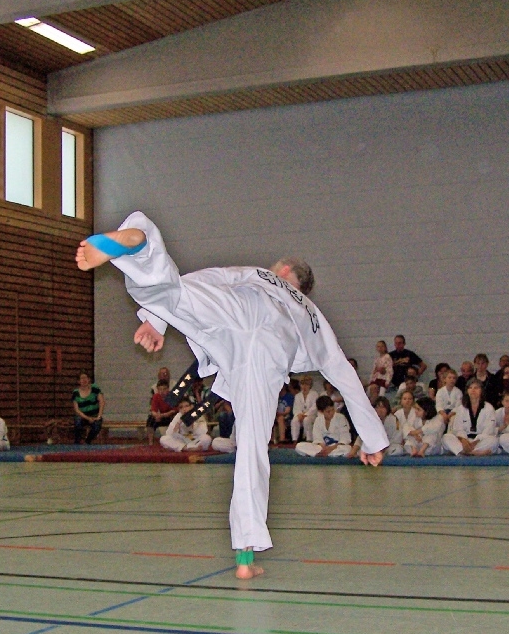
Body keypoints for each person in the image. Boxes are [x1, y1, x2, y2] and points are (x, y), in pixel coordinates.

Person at [77, 211, 387, 579]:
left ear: (284, 270)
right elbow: (343, 374)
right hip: (272, 350)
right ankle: (245, 558)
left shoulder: (259, 275)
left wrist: (156, 320)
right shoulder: (312, 314)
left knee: (173, 290)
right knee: (253, 449)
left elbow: (203, 283)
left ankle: (140, 241)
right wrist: (372, 439)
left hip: (236, 313)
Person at [442, 378, 498, 455]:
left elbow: (489, 429)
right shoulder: (461, 408)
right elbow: (458, 428)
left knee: (493, 440)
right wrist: (464, 440)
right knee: (446, 437)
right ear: (467, 391)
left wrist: (475, 442)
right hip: (465, 440)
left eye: (476, 388)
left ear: (481, 391)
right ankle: (474, 452)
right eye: (470, 388)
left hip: (480, 440)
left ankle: (463, 452)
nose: (473, 390)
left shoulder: (488, 408)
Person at [72, 372, 105, 444]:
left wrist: (99, 416)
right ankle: (77, 442)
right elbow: (77, 410)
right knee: (77, 422)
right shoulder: (76, 392)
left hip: (94, 415)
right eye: (82, 378)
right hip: (82, 416)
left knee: (96, 427)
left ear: (89, 379)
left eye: (86, 378)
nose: (84, 380)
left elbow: (102, 402)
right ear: (78, 381)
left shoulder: (95, 388)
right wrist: (88, 418)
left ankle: (88, 441)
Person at [146, 379, 176, 445]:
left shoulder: (172, 396)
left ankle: (174, 440)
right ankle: (150, 442)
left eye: (164, 389)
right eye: (160, 389)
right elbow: (153, 410)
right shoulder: (156, 396)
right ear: (157, 390)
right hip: (162, 416)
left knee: (175, 418)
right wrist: (156, 416)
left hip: (171, 417)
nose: (162, 391)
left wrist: (161, 415)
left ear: (168, 389)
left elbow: (173, 411)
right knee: (151, 420)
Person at [290, 375, 319, 442]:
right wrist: (299, 414)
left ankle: (309, 439)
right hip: (300, 415)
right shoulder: (298, 396)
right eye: (302, 384)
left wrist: (305, 414)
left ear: (310, 385)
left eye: (306, 384)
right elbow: (296, 408)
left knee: (306, 420)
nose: (304, 386)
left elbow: (315, 407)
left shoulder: (314, 394)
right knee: (294, 420)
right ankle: (294, 440)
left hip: (312, 415)